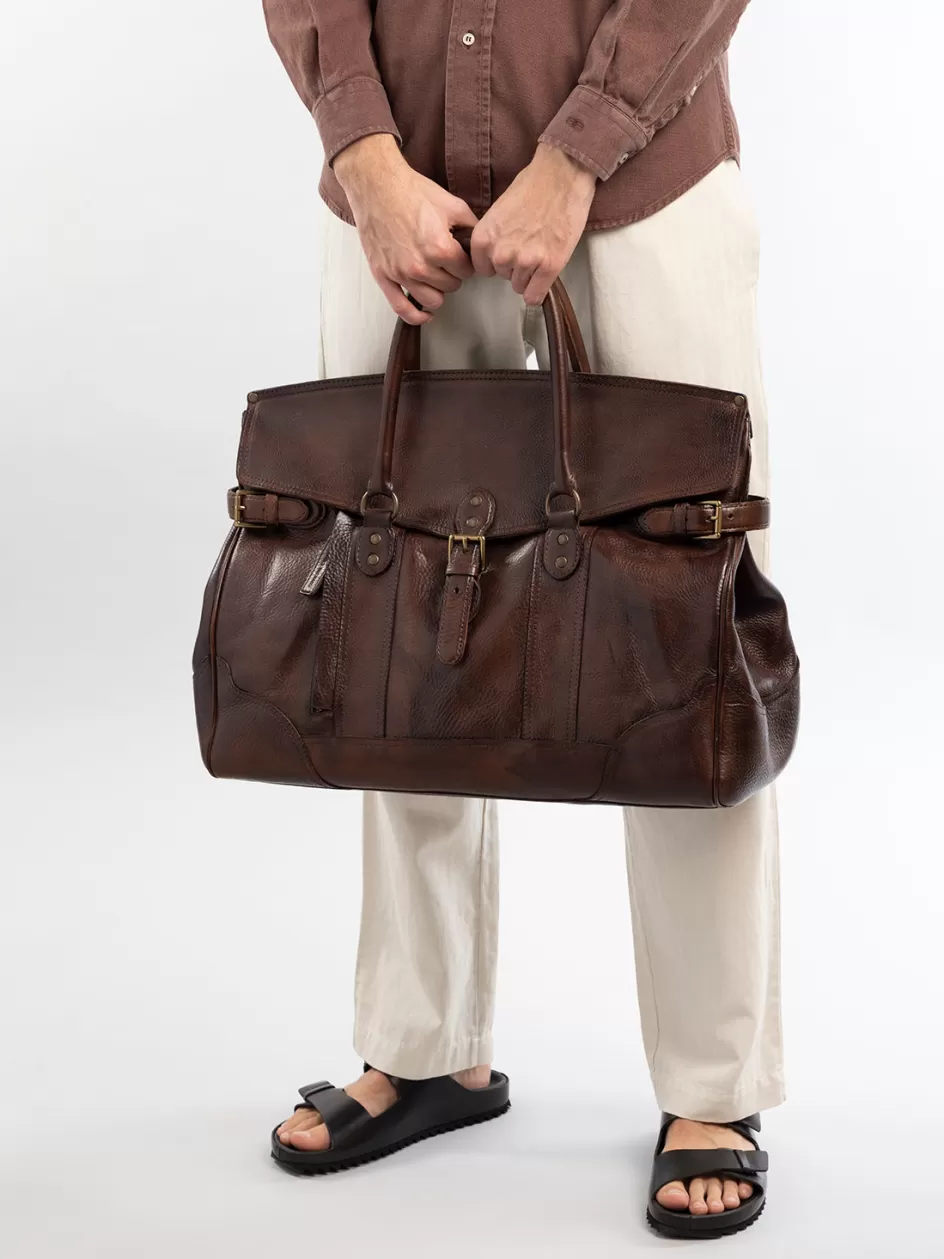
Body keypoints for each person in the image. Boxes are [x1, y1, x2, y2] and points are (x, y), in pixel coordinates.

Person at [261, 0, 779, 1239]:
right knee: (393, 626)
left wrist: (576, 152)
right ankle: (425, 1045)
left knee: (686, 640)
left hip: (644, 177)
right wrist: (363, 155)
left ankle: (712, 1087)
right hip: (400, 193)